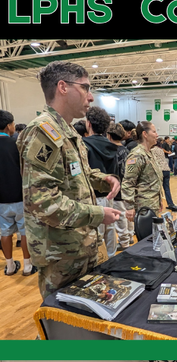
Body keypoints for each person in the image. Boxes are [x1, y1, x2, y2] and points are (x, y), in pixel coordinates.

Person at [18, 61, 121, 296]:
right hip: (61, 254)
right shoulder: (43, 132)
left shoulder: (67, 131)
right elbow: (43, 202)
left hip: (80, 245)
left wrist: (104, 179)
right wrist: (98, 214)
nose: (91, 96)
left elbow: (75, 173)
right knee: (62, 325)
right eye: (85, 87)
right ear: (63, 87)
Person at [81, 104, 120, 259]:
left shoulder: (83, 144)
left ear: (89, 123)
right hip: (109, 195)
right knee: (110, 229)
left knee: (96, 233)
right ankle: (111, 257)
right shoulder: (112, 146)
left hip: (92, 198)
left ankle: (98, 262)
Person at [0, 109, 35, 276]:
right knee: (25, 231)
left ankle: (10, 266)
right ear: (9, 126)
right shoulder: (17, 145)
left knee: (5, 232)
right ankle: (28, 265)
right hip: (20, 195)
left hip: (1, 199)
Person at [120, 120, 164, 219]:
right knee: (146, 234)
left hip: (153, 204)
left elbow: (153, 180)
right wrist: (129, 206)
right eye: (154, 132)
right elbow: (128, 182)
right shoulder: (137, 155)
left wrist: (159, 199)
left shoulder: (150, 152)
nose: (157, 135)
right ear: (145, 134)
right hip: (143, 207)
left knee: (153, 233)